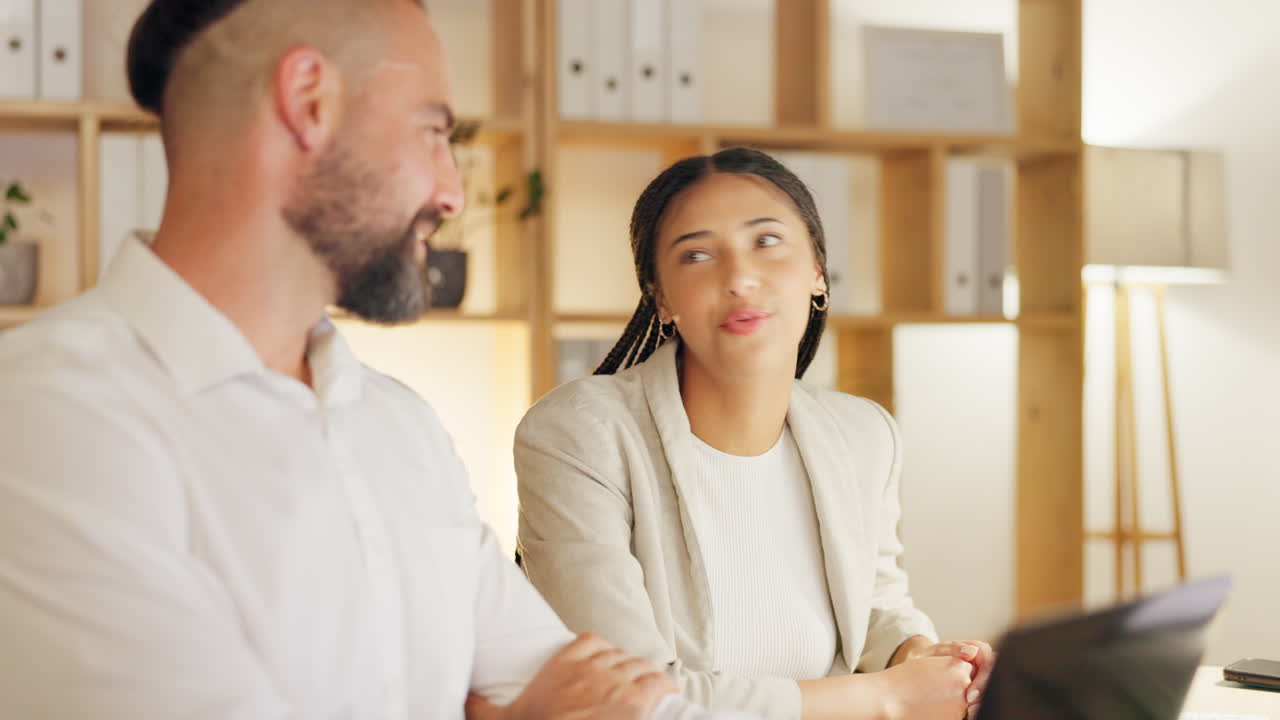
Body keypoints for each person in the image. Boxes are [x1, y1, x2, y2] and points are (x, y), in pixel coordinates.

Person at [0, 2, 758, 719]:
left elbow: (615, 697)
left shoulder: (400, 425)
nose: (454, 193)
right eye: (433, 133)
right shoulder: (48, 416)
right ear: (309, 102)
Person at [514, 148, 996, 720]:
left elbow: (873, 605)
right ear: (661, 297)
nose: (739, 278)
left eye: (766, 242)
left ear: (818, 269)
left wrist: (929, 658)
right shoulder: (579, 436)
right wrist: (887, 697)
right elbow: (625, 698)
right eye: (696, 254)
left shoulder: (864, 434)